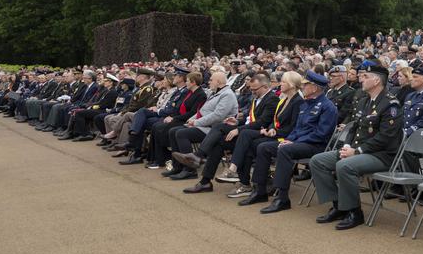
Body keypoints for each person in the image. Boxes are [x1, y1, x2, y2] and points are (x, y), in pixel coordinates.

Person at [309, 65, 402, 230]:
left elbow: (386, 137)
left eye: (365, 76)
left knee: (344, 166)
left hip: (381, 155)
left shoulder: (390, 104)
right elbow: (354, 128)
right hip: (357, 150)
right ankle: (339, 205)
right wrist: (347, 146)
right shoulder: (364, 100)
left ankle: (354, 212)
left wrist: (357, 151)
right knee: (317, 161)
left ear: (377, 80)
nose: (361, 78)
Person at [241, 71, 337, 212]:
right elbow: (297, 129)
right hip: (299, 143)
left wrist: (293, 142)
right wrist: (290, 139)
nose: (302, 87)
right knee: (263, 147)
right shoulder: (305, 104)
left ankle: (282, 197)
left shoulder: (328, 107)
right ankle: (259, 190)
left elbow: (321, 134)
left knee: (284, 150)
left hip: (315, 145)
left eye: (305, 84)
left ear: (314, 87)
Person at [164, 71, 236, 180]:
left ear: (219, 81)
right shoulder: (215, 92)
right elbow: (201, 111)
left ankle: (190, 170)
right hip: (204, 125)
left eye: (211, 80)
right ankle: (178, 166)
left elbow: (217, 116)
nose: (209, 82)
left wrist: (196, 122)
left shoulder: (227, 95)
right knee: (173, 131)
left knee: (181, 133)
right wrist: (191, 120)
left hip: (214, 129)